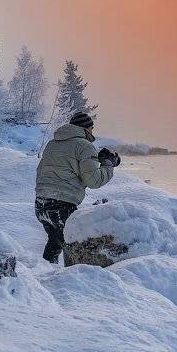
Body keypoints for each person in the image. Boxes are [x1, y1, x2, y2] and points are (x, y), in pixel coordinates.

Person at [34, 110, 120, 264]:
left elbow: (57, 167)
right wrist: (108, 164)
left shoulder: (52, 143)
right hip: (62, 205)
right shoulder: (84, 146)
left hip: (41, 204)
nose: (93, 132)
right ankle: (72, 282)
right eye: (92, 128)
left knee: (55, 243)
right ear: (87, 129)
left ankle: (46, 274)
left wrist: (95, 159)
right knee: (73, 247)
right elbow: (94, 180)